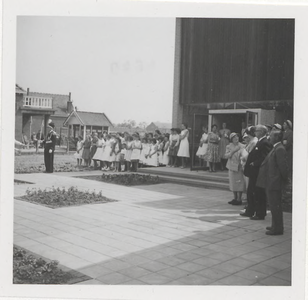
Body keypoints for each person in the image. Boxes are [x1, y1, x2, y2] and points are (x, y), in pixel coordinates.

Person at [256, 130, 288, 235]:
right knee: (273, 206)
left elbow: (283, 167)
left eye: (270, 136)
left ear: (276, 137)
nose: (269, 137)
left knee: (276, 206)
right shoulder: (276, 148)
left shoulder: (279, 149)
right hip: (271, 182)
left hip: (275, 183)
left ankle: (278, 228)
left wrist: (285, 180)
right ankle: (275, 225)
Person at [242, 125, 272, 220]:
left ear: (262, 132)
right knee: (251, 191)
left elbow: (265, 157)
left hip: (258, 172)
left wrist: (255, 163)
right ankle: (250, 211)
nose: (255, 132)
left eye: (257, 131)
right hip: (253, 172)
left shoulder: (265, 142)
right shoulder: (260, 141)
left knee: (258, 193)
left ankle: (260, 213)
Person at [225, 133, 247, 205]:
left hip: (239, 167)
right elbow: (226, 156)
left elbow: (245, 155)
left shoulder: (242, 146)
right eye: (234, 137)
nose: (236, 138)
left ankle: (239, 199)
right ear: (231, 139)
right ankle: (234, 198)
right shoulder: (229, 146)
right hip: (231, 166)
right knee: (233, 182)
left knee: (239, 183)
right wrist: (233, 151)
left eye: (237, 137)